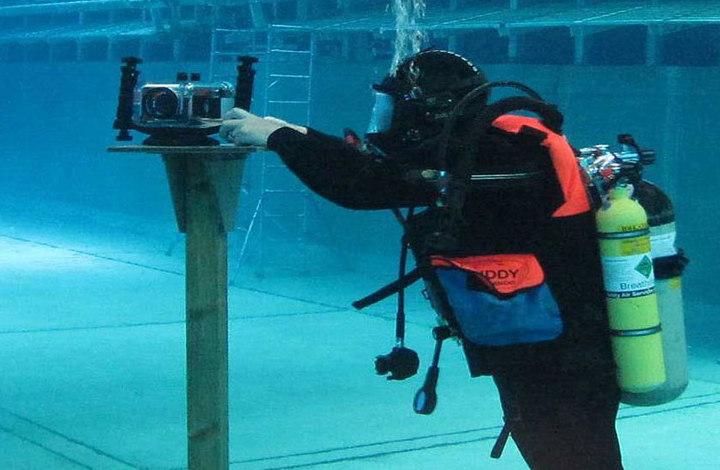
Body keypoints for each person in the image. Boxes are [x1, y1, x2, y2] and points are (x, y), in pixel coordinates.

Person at [220, 50, 624, 470]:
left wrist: (279, 138)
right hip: (548, 348)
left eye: (394, 108)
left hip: (560, 359)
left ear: (432, 110)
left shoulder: (494, 155)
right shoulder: (493, 144)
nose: (387, 121)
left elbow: (362, 185)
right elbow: (374, 169)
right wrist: (291, 131)